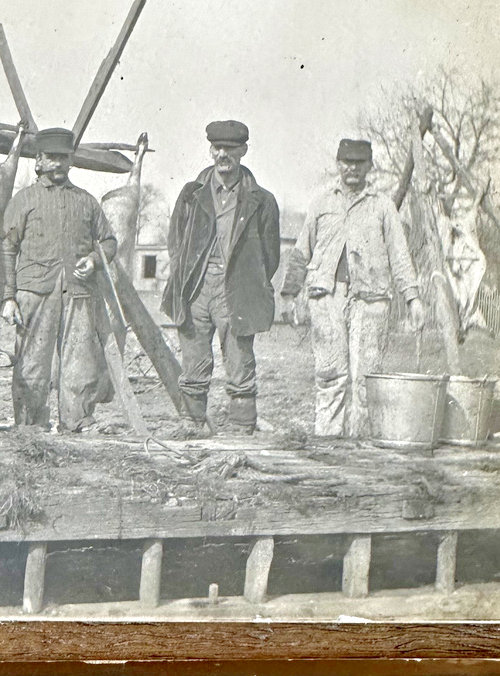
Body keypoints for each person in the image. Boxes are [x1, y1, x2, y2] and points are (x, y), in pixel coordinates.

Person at [281, 138, 425, 438]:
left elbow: (399, 254)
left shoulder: (382, 206)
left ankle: (360, 446)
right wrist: (289, 294)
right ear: (337, 164)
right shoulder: (322, 203)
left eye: (359, 163)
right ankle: (327, 441)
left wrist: (412, 298)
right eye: (346, 162)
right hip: (327, 298)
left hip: (370, 300)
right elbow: (301, 251)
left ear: (369, 166)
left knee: (365, 376)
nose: (352, 169)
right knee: (329, 373)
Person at [162, 120, 281, 436]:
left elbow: (270, 256)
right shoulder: (191, 194)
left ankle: (242, 426)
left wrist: (247, 282)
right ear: (210, 150)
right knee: (194, 359)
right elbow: (175, 241)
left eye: (230, 148)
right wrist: (186, 278)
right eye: (217, 148)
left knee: (240, 360)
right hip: (197, 288)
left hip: (236, 290)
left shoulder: (262, 201)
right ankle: (192, 423)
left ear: (243, 151)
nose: (223, 154)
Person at [0, 128, 117, 432]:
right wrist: (9, 296)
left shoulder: (86, 201)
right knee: (32, 363)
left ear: (71, 161)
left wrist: (92, 259)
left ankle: (77, 420)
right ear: (38, 161)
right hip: (34, 293)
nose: (57, 164)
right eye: (51, 158)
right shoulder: (23, 200)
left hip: (77, 292)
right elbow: (7, 249)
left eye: (63, 158)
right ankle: (30, 424)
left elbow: (108, 242)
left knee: (80, 362)